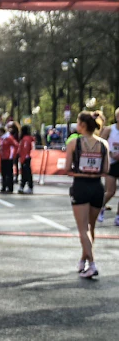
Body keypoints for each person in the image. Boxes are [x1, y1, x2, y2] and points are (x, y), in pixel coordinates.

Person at [67, 111, 108, 278]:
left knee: (83, 229)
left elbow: (67, 169)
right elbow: (106, 170)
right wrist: (93, 173)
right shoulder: (103, 144)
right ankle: (83, 260)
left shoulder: (74, 143)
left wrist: (82, 173)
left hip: (81, 187)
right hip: (98, 187)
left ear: (82, 125)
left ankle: (92, 263)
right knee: (91, 228)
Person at [101, 109, 119, 223]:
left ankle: (118, 216)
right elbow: (100, 144)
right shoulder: (109, 129)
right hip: (111, 162)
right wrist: (111, 153)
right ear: (117, 118)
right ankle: (99, 208)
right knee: (110, 191)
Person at [0, 123, 18, 194]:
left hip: (8, 158)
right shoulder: (1, 139)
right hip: (3, 157)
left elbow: (16, 145)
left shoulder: (9, 138)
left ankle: (10, 187)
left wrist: (12, 155)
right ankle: (4, 186)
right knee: (3, 173)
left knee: (9, 173)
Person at [18, 125, 35, 194]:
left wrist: (22, 159)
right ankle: (23, 186)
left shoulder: (25, 139)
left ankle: (28, 187)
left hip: (25, 158)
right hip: (25, 158)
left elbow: (25, 149)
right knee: (25, 173)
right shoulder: (27, 138)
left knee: (26, 173)